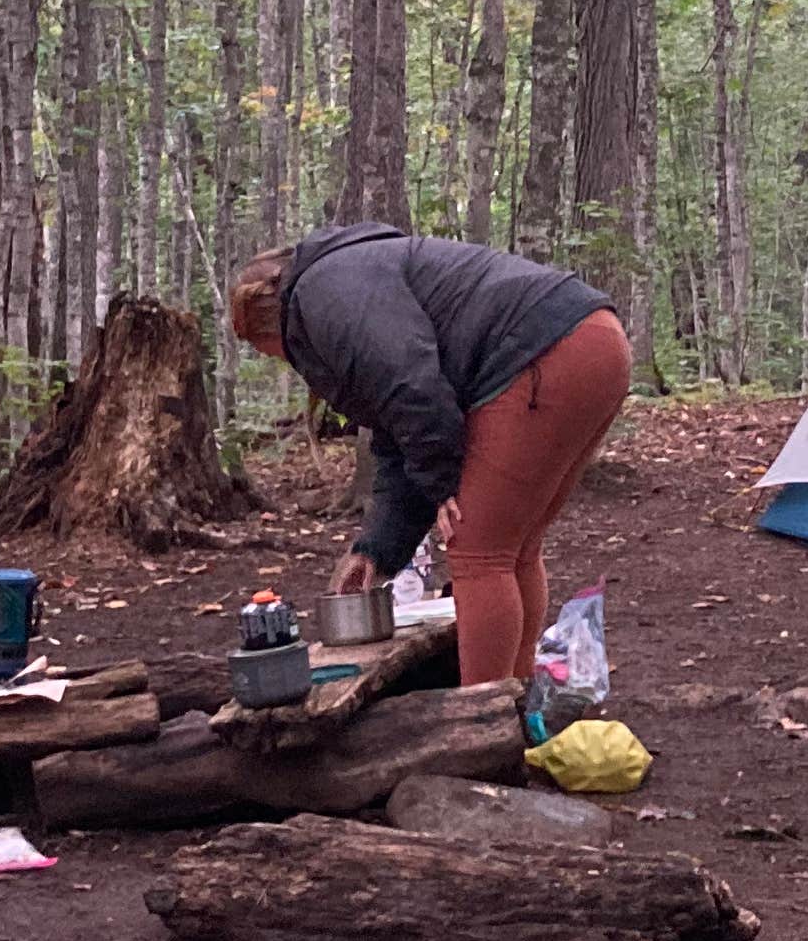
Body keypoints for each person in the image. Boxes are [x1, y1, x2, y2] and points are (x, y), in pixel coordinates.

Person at [226, 226, 630, 688]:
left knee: (478, 554)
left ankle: (478, 724)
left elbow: (412, 388)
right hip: (596, 338)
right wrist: (375, 551)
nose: (287, 363)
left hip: (544, 351)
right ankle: (517, 709)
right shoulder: (346, 278)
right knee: (514, 549)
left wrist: (443, 484)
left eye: (270, 354)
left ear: (270, 326)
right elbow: (399, 429)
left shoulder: (323, 298)